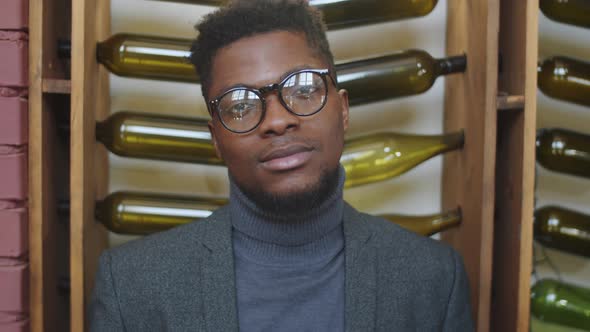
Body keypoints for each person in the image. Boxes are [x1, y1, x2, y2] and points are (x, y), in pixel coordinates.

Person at [89, 0, 474, 331]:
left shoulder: (433, 279)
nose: (277, 121)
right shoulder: (132, 287)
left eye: (303, 88)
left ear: (343, 110)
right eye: (240, 105)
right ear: (216, 140)